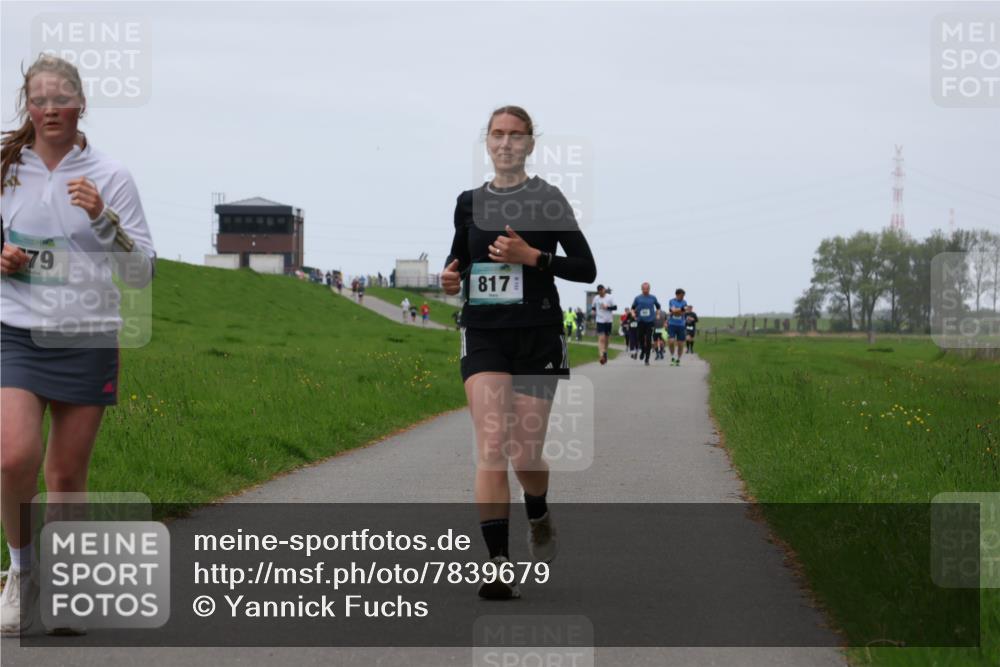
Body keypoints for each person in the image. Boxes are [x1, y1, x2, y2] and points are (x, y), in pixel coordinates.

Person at [0, 54, 156, 636]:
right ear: (28, 106)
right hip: (16, 329)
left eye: (60, 99)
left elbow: (142, 273)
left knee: (64, 475)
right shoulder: (6, 167)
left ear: (81, 104)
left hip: (87, 336)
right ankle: (21, 573)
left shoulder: (110, 176)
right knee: (12, 456)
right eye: (37, 100)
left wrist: (105, 219)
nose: (48, 111)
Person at [440, 105, 595, 600]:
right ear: (486, 142)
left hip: (537, 336)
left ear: (530, 144)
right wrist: (449, 278)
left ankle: (539, 507)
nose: (505, 143)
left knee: (525, 454)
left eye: (515, 135)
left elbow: (586, 268)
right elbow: (458, 261)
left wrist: (532, 257)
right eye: (496, 134)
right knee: (491, 445)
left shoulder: (548, 200)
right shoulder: (468, 203)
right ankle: (499, 565)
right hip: (484, 332)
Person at [631, 283, 660, 366]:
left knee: (648, 339)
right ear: (641, 289)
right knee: (640, 338)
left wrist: (657, 314)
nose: (645, 290)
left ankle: (647, 358)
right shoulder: (637, 298)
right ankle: (643, 350)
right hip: (640, 321)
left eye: (647, 289)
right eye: (644, 289)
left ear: (649, 289)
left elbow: (658, 307)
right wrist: (633, 313)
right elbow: (632, 308)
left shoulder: (653, 298)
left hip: (650, 321)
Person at [590, 284, 616, 365]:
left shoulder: (610, 297)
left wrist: (607, 307)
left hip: (608, 320)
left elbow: (615, 307)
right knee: (601, 338)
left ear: (604, 289)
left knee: (607, 339)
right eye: (599, 291)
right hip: (600, 320)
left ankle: (605, 352)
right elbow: (593, 307)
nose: (601, 292)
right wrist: (593, 311)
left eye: (602, 290)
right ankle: (601, 356)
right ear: (598, 291)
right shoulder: (596, 298)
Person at [666, 288, 688, 366]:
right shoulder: (672, 301)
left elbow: (681, 313)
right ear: (677, 295)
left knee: (680, 344)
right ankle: (672, 357)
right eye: (681, 296)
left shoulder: (684, 302)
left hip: (681, 325)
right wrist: (680, 310)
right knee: (671, 341)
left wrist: (676, 311)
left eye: (683, 296)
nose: (683, 297)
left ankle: (678, 359)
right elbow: (673, 311)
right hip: (672, 324)